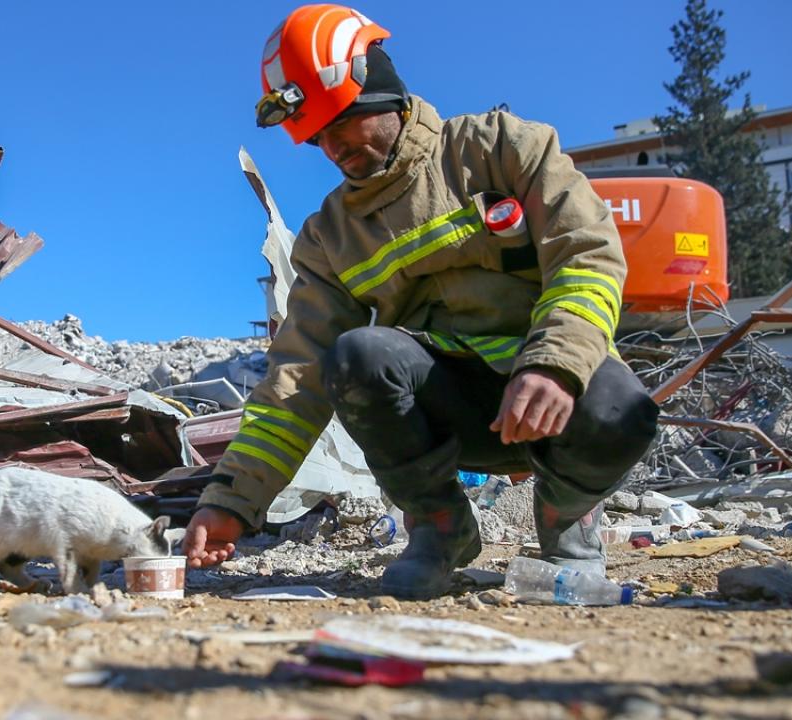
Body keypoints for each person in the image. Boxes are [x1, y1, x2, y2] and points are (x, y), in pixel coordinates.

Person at [182, 4, 659, 599]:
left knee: (622, 408)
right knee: (357, 355)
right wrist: (232, 500)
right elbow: (296, 378)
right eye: (318, 137)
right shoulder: (331, 235)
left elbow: (586, 257)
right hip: (452, 413)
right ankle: (440, 530)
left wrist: (554, 365)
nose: (333, 148)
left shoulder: (505, 150)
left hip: (552, 397)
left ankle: (567, 521)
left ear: (381, 91)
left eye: (341, 123)